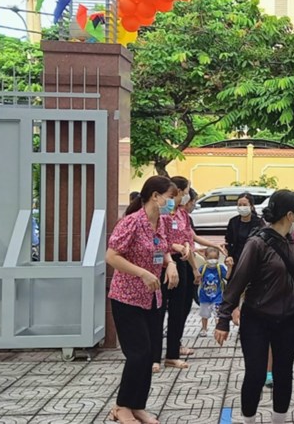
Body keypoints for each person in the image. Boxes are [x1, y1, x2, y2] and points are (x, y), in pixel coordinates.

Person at [214, 190, 294, 424]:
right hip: (257, 319)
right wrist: (223, 319)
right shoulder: (257, 243)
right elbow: (237, 281)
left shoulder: (291, 240)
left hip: (288, 318)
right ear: (289, 215)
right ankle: (248, 420)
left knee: (283, 374)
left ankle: (278, 420)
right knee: (256, 374)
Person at [105, 176, 194, 424]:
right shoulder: (132, 222)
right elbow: (112, 256)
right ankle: (121, 406)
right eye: (170, 197)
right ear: (155, 196)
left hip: (152, 296)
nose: (173, 202)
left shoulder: (161, 222)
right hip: (127, 297)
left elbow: (162, 248)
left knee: (149, 353)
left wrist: (170, 263)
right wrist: (142, 273)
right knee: (138, 353)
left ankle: (137, 406)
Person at [152, 176, 196, 373]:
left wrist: (185, 246)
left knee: (178, 310)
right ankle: (154, 357)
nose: (186, 196)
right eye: (184, 192)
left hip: (180, 262)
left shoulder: (182, 214)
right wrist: (174, 247)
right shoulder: (161, 214)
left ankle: (172, 355)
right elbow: (157, 239)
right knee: (158, 311)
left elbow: (188, 236)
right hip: (162, 263)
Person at [196, 247, 230, 337]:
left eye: (215, 258)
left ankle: (217, 329)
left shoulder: (220, 268)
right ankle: (204, 329)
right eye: (210, 258)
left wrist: (230, 267)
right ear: (205, 257)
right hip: (204, 297)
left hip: (217, 297)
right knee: (204, 315)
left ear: (218, 258)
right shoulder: (203, 268)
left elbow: (227, 277)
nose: (213, 260)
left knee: (217, 315)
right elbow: (197, 278)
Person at [225, 192, 266, 265]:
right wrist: (229, 256)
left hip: (253, 259)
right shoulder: (233, 221)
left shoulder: (259, 222)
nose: (242, 207)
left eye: (244, 205)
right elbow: (228, 240)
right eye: (239, 205)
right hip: (236, 259)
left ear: (251, 206)